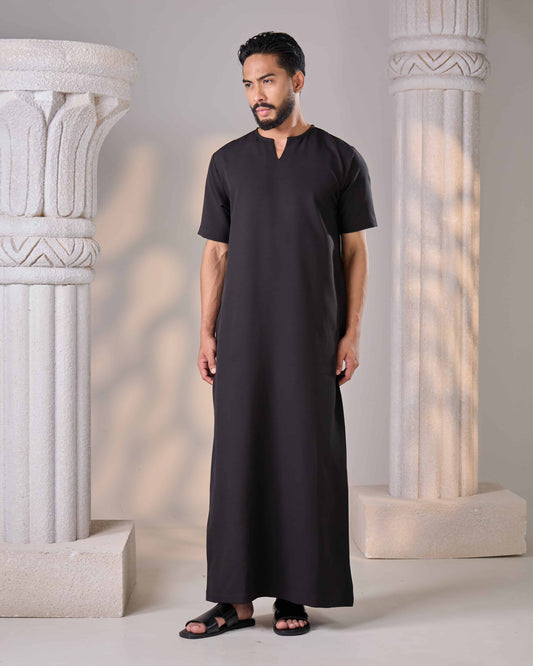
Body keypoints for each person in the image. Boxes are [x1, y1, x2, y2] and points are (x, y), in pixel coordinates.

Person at [180, 30, 378, 639]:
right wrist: (206, 331)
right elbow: (216, 254)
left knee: (304, 458)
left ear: (296, 80)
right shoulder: (227, 162)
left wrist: (351, 333)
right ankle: (234, 600)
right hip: (242, 336)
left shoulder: (340, 159)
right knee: (237, 459)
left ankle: (296, 590)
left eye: (266, 80)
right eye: (248, 84)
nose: (256, 95)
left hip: (311, 335)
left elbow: (353, 253)